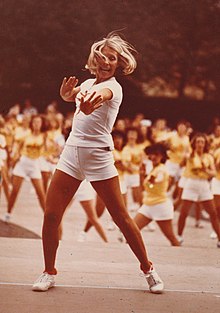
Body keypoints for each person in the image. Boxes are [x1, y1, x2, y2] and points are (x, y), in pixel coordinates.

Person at [32, 32, 164, 293]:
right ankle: (49, 272)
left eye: (111, 58)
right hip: (71, 154)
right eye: (102, 56)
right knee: (51, 215)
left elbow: (102, 95)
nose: (106, 61)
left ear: (118, 63)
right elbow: (75, 96)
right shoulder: (88, 82)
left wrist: (95, 102)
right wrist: (67, 95)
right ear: (95, 58)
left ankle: (149, 270)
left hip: (99, 156)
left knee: (122, 218)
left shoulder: (113, 87)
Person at [177, 133, 220, 247]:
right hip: (191, 183)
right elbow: (181, 164)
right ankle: (179, 236)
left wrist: (205, 169)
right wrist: (184, 157)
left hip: (204, 185)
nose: (200, 144)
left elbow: (214, 173)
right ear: (194, 144)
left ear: (205, 144)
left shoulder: (208, 157)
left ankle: (219, 238)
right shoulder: (190, 155)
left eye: (202, 142)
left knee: (213, 213)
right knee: (184, 212)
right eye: (198, 142)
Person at [134, 143, 180, 246]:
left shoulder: (161, 169)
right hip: (148, 205)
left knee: (172, 238)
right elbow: (144, 187)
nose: (154, 157)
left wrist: (154, 181)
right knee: (132, 231)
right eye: (152, 154)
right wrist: (141, 174)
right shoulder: (152, 169)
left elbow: (159, 178)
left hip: (160, 206)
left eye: (157, 154)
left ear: (162, 156)